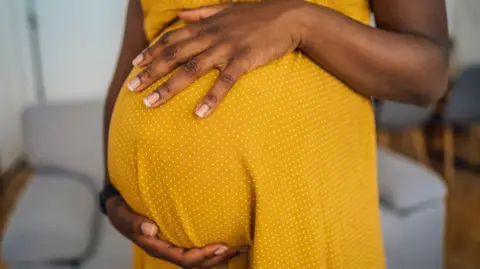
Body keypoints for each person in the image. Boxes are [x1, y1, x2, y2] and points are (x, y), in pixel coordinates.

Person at [100, 0, 449, 268]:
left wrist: (300, 21)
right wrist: (112, 192)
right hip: (164, 253)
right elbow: (130, 67)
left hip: (306, 222)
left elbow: (429, 75)